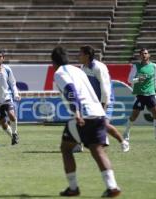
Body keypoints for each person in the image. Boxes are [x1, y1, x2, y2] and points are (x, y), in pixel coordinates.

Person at [52, 46, 121, 197]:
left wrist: (76, 112)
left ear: (53, 62)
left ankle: (73, 187)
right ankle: (112, 186)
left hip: (83, 114)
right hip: (97, 112)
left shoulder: (59, 73)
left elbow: (71, 90)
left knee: (65, 148)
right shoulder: (78, 70)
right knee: (97, 150)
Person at [79, 45, 129, 152]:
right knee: (82, 122)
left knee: (104, 124)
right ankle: (79, 145)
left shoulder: (99, 67)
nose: (79, 56)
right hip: (92, 101)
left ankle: (123, 142)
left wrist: (103, 105)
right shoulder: (82, 68)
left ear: (87, 56)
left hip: (105, 100)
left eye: (81, 54)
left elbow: (105, 89)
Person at [123, 48, 156, 140]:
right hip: (140, 94)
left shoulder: (154, 66)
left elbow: (155, 78)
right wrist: (138, 79)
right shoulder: (136, 66)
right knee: (134, 116)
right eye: (141, 54)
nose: (144, 55)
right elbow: (129, 80)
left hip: (151, 93)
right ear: (140, 56)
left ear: (148, 55)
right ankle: (126, 132)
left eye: (145, 53)